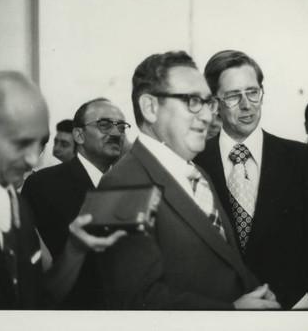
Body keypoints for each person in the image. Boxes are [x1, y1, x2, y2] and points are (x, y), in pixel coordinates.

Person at [97, 51, 281, 310]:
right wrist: (233, 313)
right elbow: (135, 302)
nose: (207, 116)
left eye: (208, 102)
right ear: (150, 107)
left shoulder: (198, 174)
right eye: (192, 101)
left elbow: (227, 264)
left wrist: (258, 294)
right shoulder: (121, 184)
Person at [195, 50, 308, 309]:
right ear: (213, 102)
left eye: (253, 92)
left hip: (293, 309)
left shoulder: (300, 158)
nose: (246, 104)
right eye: (232, 95)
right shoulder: (196, 161)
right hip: (223, 313)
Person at [0, 70, 125, 310]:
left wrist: (76, 247)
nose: (32, 159)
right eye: (20, 142)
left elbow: (42, 297)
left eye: (40, 143)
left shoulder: (17, 206)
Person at [22, 98, 129, 309]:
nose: (116, 133)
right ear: (79, 135)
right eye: (104, 125)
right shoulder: (43, 185)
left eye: (121, 126)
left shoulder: (130, 184)